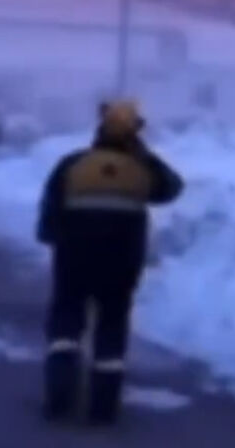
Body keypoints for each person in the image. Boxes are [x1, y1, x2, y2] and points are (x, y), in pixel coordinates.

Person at [36, 100, 184, 424]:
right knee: (112, 325)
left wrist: (51, 235)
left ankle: (59, 398)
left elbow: (50, 208)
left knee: (66, 321)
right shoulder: (141, 170)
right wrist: (143, 155)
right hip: (121, 261)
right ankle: (103, 407)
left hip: (73, 258)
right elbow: (172, 188)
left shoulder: (73, 164)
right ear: (133, 135)